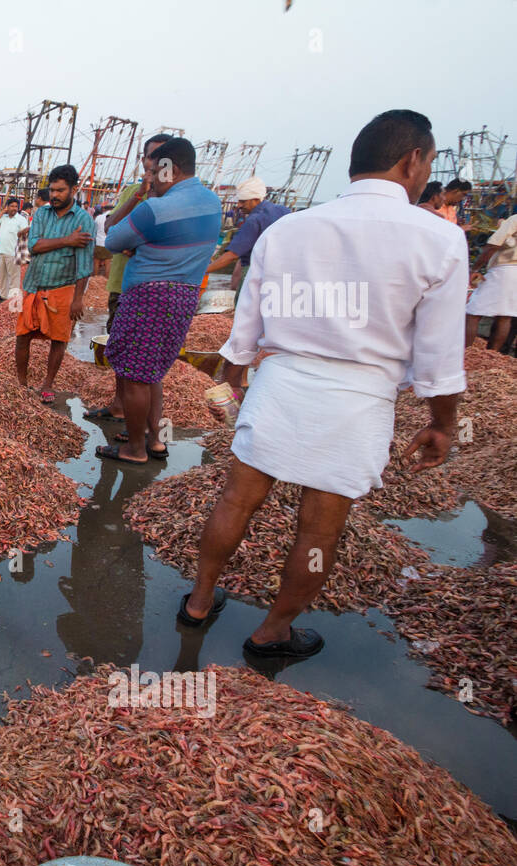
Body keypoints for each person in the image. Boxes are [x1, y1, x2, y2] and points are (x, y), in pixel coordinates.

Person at [185, 109, 465, 660]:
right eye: (428, 161)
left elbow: (246, 329)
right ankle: (272, 632)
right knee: (318, 533)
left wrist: (232, 382)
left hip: (280, 386)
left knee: (236, 502)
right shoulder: (440, 240)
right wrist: (442, 424)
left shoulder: (291, 228)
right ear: (413, 161)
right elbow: (439, 358)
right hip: (358, 403)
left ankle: (197, 601)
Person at [100, 137, 220, 464]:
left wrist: (146, 198)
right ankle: (155, 441)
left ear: (172, 169)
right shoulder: (213, 203)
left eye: (156, 172)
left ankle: (134, 448)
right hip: (184, 297)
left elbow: (112, 239)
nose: (152, 179)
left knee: (135, 375)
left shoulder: (157, 208)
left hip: (148, 296)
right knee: (152, 373)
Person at [86, 133, 174, 421]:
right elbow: (112, 227)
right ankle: (120, 406)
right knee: (121, 353)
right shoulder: (134, 192)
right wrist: (141, 194)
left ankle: (151, 436)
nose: (157, 162)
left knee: (149, 366)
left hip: (160, 291)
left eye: (164, 156)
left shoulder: (177, 196)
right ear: (144, 160)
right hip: (123, 285)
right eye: (152, 156)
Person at [16, 165, 94, 403]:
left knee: (59, 339)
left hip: (63, 286)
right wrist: (68, 240)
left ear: (73, 189)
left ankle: (47, 385)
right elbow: (34, 246)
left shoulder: (83, 220)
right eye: (52, 190)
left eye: (60, 190)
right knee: (22, 336)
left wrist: (78, 299)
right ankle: (21, 383)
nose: (55, 195)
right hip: (34, 284)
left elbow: (84, 263)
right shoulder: (41, 214)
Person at [203, 177, 291, 304]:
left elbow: (231, 255)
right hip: (279, 270)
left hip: (256, 271)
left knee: (245, 305)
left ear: (255, 199)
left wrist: (204, 270)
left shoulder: (254, 219)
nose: (239, 206)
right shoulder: (284, 211)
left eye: (243, 202)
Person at [464, 211, 517, 350]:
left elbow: (493, 245)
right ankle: (493, 354)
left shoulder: (514, 219)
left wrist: (475, 269)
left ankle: (466, 353)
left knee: (473, 312)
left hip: (504, 269)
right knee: (505, 316)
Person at [0, 197, 29, 301]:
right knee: (2, 275)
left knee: (14, 277)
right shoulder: (4, 217)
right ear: (8, 207)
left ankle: (13, 297)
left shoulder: (21, 220)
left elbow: (24, 235)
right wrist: (3, 211)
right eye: (11, 206)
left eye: (16, 206)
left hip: (13, 252)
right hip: (2, 251)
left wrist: (23, 255)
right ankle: (2, 294)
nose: (14, 208)